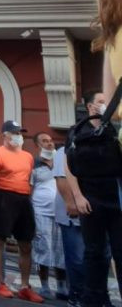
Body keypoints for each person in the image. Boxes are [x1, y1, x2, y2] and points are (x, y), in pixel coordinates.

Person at [64, 90, 120, 307]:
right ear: (90, 107)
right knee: (94, 251)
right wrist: (77, 197)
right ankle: (93, 298)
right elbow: (68, 166)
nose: (105, 105)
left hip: (116, 198)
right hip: (90, 198)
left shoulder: (114, 129)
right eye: (100, 101)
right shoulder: (78, 131)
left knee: (118, 251)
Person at [0, 120, 44, 302]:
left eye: (20, 133)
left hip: (23, 198)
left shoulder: (28, 156)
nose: (19, 136)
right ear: (6, 136)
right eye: (15, 133)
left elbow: (27, 178)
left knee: (26, 243)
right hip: (3, 196)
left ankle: (25, 286)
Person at [32, 132, 67, 300]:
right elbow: (29, 190)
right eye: (44, 141)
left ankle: (62, 287)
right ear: (37, 145)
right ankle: (44, 286)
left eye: (50, 140)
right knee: (43, 249)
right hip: (41, 213)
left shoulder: (62, 161)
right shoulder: (33, 164)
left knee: (61, 251)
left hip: (61, 213)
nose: (49, 143)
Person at [53, 144, 84, 307]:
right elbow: (61, 178)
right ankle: (76, 295)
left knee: (98, 257)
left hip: (94, 213)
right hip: (73, 215)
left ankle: (95, 295)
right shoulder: (64, 151)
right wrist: (71, 203)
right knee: (76, 258)